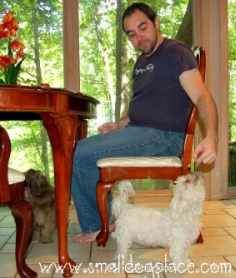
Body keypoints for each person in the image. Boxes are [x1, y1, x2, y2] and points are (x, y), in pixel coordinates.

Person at [72, 2, 218, 244]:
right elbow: (142, 107)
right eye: (132, 34)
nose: (139, 37)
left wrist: (211, 136)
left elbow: (203, 97)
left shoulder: (176, 53)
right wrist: (118, 125)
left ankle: (98, 225)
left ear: (156, 22)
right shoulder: (141, 64)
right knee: (84, 148)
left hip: (163, 136)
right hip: (139, 131)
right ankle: (106, 220)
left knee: (81, 152)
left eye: (143, 28)